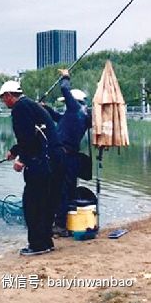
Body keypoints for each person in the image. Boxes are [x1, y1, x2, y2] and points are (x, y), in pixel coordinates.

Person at [0, 80, 63, 256]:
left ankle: (37, 245)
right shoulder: (31, 105)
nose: (3, 102)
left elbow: (28, 139)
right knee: (46, 203)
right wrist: (14, 151)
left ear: (9, 95)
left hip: (41, 162)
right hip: (55, 160)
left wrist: (21, 159)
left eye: (3, 98)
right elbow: (33, 134)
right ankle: (46, 241)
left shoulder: (19, 109)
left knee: (32, 204)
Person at [42, 69, 92, 236]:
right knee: (68, 189)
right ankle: (67, 222)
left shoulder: (75, 109)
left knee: (61, 190)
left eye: (67, 101)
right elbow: (57, 117)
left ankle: (60, 225)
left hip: (65, 156)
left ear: (74, 100)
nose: (65, 103)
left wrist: (65, 77)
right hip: (72, 157)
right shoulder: (79, 115)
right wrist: (45, 108)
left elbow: (64, 89)